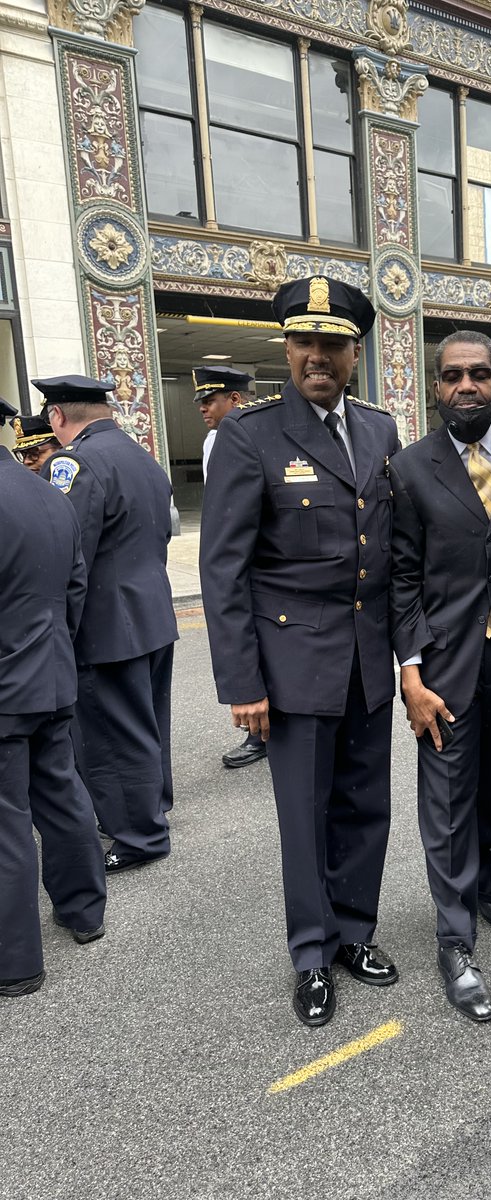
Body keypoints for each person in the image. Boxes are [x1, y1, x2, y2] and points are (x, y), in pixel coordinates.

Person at [199, 276, 401, 1028]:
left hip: (366, 659)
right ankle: (312, 954)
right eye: (304, 341)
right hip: (291, 665)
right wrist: (242, 683)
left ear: (356, 352)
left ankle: (355, 932)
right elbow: (223, 570)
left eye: (334, 344)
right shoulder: (251, 437)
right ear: (286, 348)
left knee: (364, 806)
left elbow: (391, 553)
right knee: (305, 816)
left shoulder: (380, 430)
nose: (318, 355)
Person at [390, 332, 491, 1022]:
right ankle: (454, 941)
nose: (466, 386)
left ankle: (487, 884)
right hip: (444, 666)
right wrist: (411, 671)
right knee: (447, 803)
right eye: (452, 376)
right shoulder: (409, 469)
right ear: (435, 387)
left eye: (479, 374)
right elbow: (400, 578)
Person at [37, 375, 178, 874]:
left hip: (105, 623)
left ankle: (139, 835)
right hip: (152, 611)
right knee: (147, 720)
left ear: (57, 416)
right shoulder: (140, 455)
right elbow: (161, 530)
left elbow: (67, 552)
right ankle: (151, 804)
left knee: (111, 734)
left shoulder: (70, 462)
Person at [0, 397, 107, 997]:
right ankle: (84, 911)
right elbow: (75, 586)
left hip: (7, 680)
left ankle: (14, 959)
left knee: (7, 818)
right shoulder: (46, 490)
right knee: (60, 791)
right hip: (49, 670)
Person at [191, 364, 267, 770]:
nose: (204, 408)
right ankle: (258, 729)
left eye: (210, 400)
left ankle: (261, 734)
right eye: (201, 401)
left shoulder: (251, 434)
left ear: (235, 399)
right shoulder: (213, 440)